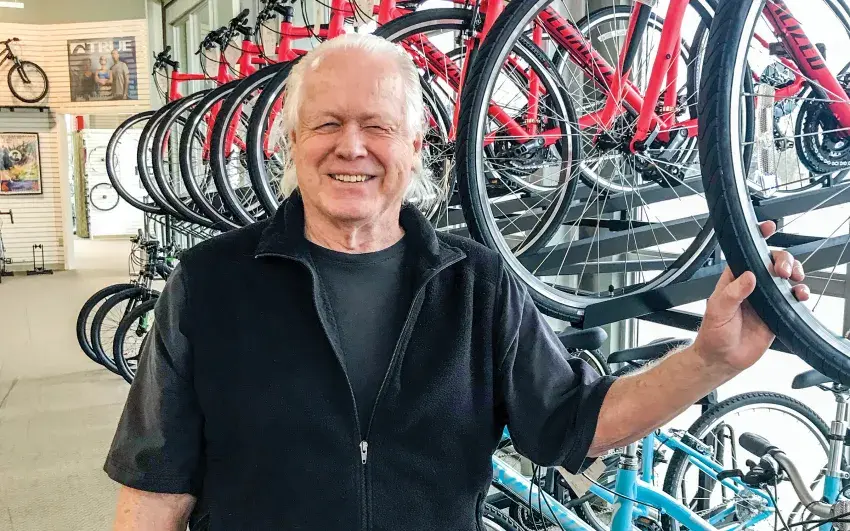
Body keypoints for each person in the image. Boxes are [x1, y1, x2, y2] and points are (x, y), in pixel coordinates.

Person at [104, 34, 810, 530]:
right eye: (327, 124)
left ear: (415, 147)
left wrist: (709, 360)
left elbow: (574, 422)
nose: (352, 146)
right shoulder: (209, 284)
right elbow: (155, 488)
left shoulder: (476, 282)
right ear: (291, 141)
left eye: (377, 125)